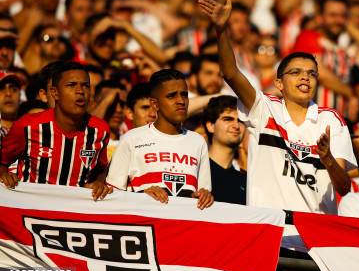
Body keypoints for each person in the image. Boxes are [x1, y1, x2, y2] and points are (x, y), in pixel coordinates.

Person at [198, 0, 356, 214]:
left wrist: (328, 159)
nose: (305, 77)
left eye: (312, 74)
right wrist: (221, 30)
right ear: (279, 83)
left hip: (315, 236)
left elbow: (344, 186)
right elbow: (230, 73)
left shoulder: (331, 119)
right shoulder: (264, 108)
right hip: (270, 232)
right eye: (296, 72)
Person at [0, 61, 112, 201]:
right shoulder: (28, 126)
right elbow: (2, 161)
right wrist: (4, 174)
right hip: (32, 209)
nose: (80, 91)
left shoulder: (100, 130)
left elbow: (101, 169)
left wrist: (99, 183)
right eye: (71, 85)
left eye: (85, 86)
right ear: (54, 92)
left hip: (75, 212)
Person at [106, 69, 213, 209]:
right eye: (171, 96)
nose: (181, 101)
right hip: (144, 224)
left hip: (184, 225)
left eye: (184, 95)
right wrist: (140, 195)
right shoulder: (131, 139)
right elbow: (112, 195)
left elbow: (203, 195)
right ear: (155, 104)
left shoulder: (198, 141)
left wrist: (204, 196)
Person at [202, 95, 247, 205]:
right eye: (228, 119)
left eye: (241, 121)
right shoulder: (196, 170)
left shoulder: (247, 182)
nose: (236, 125)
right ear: (211, 126)